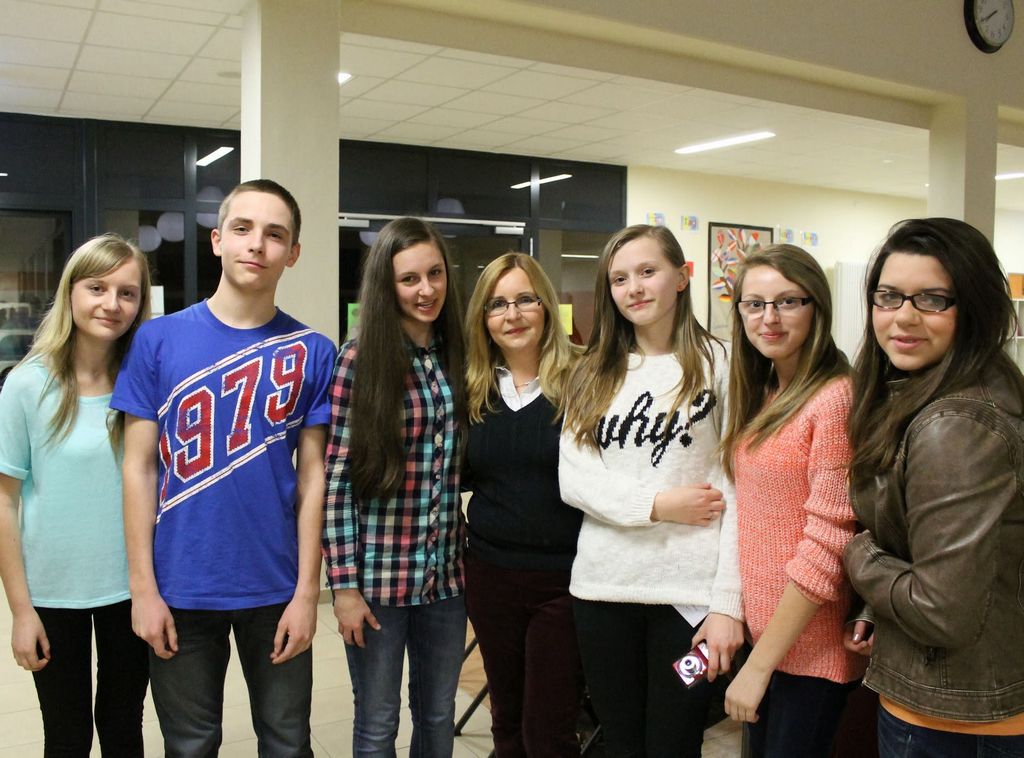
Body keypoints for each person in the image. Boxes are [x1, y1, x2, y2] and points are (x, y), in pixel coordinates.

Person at [112, 179, 336, 757]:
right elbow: (138, 469)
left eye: (275, 234)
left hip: (276, 584)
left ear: (293, 253)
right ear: (217, 240)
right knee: (190, 746)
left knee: (288, 743)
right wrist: (143, 590)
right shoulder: (157, 340)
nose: (257, 244)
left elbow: (314, 477)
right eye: (242, 228)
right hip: (180, 585)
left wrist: (308, 593)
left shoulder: (314, 351)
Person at [559, 224, 744, 757]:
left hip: (691, 604)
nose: (634, 288)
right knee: (620, 741)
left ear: (682, 277)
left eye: (647, 272)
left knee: (675, 740)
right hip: (603, 594)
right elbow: (575, 479)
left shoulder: (724, 364)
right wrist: (657, 505)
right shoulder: (593, 371)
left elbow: (738, 491)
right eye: (619, 279)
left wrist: (727, 605)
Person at [844, 218, 1024, 756]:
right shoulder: (931, 392)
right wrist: (875, 607)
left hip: (954, 719)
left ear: (974, 309)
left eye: (932, 299)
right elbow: (940, 555)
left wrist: (859, 556)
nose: (903, 316)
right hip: (951, 698)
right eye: (888, 296)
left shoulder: (957, 425)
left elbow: (941, 610)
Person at [0, 234, 151, 756]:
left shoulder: (144, 384)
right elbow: (5, 503)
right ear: (70, 293)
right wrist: (21, 611)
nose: (112, 304)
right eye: (97, 288)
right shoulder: (26, 385)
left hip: (130, 588)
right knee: (66, 736)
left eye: (127, 293)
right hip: (53, 592)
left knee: (123, 729)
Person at [323, 217, 468, 756]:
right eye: (409, 279)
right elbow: (337, 481)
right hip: (377, 582)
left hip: (445, 580)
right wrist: (343, 587)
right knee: (377, 722)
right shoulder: (359, 359)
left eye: (435, 274)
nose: (426, 289)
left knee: (437, 715)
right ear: (387, 285)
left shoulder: (456, 354)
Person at [719, 245, 866, 756]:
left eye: (787, 302)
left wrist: (758, 667)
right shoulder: (766, 392)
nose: (770, 318)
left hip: (811, 658)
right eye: (755, 304)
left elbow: (827, 545)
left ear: (816, 307)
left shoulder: (835, 398)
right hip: (768, 644)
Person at [463, 253, 583, 757]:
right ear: (484, 318)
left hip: (564, 581)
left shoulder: (583, 381)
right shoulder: (472, 388)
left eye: (524, 300)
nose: (512, 315)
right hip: (490, 575)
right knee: (507, 720)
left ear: (546, 307)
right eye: (497, 304)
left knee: (548, 730)